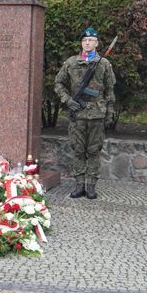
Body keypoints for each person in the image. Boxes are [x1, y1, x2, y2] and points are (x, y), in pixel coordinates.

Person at [54, 27, 116, 199]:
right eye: (84, 40)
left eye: (91, 40)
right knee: (78, 150)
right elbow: (58, 84)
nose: (87, 43)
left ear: (96, 43)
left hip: (97, 114)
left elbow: (110, 90)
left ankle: (91, 186)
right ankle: (79, 185)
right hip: (78, 114)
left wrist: (110, 112)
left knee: (94, 150)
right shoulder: (71, 63)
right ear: (81, 43)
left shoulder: (104, 64)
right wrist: (68, 100)